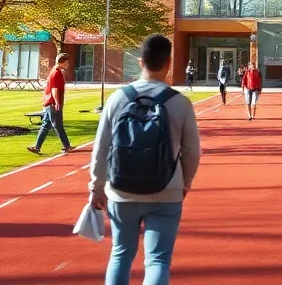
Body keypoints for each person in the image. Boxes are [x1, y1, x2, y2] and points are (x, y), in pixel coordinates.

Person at [90, 35, 202, 285]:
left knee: (120, 254)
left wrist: (97, 187)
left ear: (141, 62)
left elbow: (101, 148)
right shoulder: (180, 103)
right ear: (169, 63)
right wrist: (185, 182)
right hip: (166, 190)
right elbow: (192, 152)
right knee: (158, 261)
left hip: (121, 190)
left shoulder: (118, 98)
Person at [27, 52, 74, 155]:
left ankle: (37, 147)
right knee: (57, 125)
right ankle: (67, 146)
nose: (68, 64)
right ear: (64, 62)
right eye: (67, 62)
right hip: (52, 103)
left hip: (48, 102)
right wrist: (57, 102)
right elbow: (54, 89)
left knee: (46, 125)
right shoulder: (56, 73)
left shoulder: (54, 71)